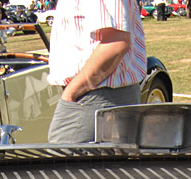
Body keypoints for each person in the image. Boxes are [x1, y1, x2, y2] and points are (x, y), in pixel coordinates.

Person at [46, 0, 146, 143]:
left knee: (64, 159)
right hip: (98, 94)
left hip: (95, 96)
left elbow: (116, 43)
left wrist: (71, 93)